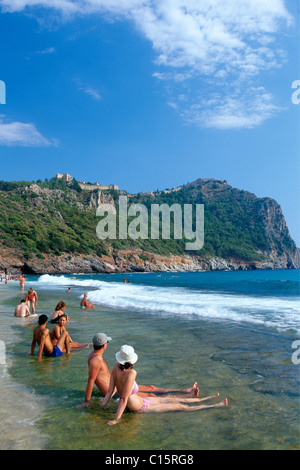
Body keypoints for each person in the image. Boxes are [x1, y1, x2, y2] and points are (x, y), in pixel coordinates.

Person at [102, 345, 228, 426]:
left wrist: (103, 405)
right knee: (181, 407)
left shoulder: (115, 368)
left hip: (141, 401)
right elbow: (123, 399)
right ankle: (216, 405)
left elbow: (109, 391)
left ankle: (201, 398)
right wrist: (116, 419)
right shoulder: (131, 373)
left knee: (169, 398)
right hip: (141, 407)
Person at [77, 334, 199, 409]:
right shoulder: (96, 359)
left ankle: (184, 390)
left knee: (151, 388)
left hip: (117, 384)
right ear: (104, 345)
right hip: (115, 391)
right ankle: (188, 396)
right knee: (151, 396)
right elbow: (90, 381)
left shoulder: (93, 355)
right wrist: (86, 402)